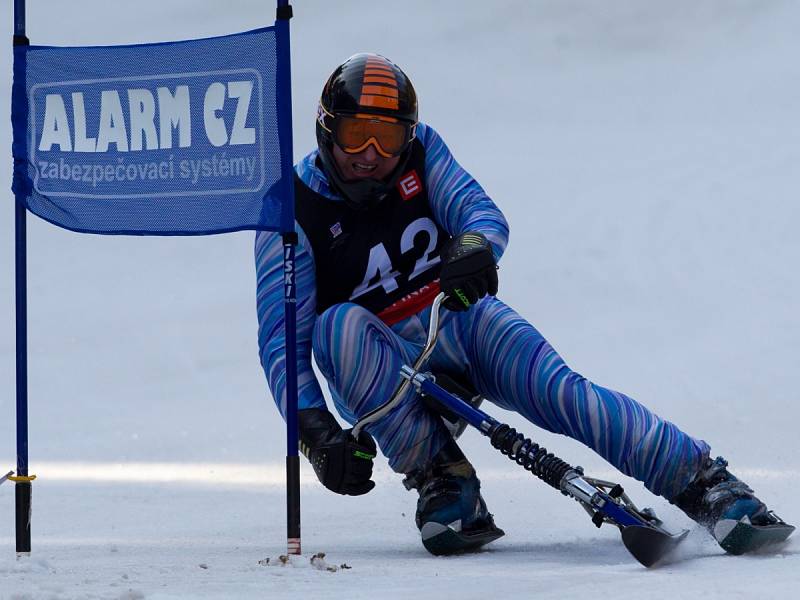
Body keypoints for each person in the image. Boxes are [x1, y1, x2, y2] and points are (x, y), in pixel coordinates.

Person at [255, 53, 788, 555]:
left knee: (563, 394)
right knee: (336, 327)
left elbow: (481, 216)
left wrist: (473, 249)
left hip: (458, 321)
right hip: (381, 365)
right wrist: (318, 436)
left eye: (387, 136)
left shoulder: (424, 153)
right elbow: (283, 344)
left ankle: (706, 483)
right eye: (354, 134)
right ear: (327, 128)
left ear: (408, 137)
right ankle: (442, 478)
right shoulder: (290, 211)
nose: (370, 154)